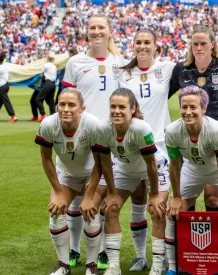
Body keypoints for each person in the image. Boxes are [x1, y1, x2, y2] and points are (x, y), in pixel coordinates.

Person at [62, 14, 128, 270]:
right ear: (87, 32)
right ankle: (75, 250)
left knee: (101, 196)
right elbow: (67, 96)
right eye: (93, 28)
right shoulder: (75, 62)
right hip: (82, 136)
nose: (97, 31)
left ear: (110, 32)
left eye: (101, 27)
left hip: (110, 137)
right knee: (80, 196)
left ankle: (101, 251)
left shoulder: (121, 63)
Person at [81, 88, 168, 275]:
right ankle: (114, 267)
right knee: (111, 208)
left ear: (133, 109)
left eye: (122, 107)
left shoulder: (140, 128)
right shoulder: (103, 129)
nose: (116, 111)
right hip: (126, 169)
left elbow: (151, 164)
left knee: (156, 210)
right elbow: (105, 163)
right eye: (113, 107)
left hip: (155, 168)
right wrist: (112, 193)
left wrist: (153, 195)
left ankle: (158, 266)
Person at [164, 86, 218, 275]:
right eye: (184, 107)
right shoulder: (172, 130)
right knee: (173, 211)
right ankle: (174, 267)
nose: (188, 112)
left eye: (193, 107)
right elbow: (174, 165)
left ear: (203, 109)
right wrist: (175, 196)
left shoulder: (216, 129)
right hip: (192, 168)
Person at [168, 24, 218, 230]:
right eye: (195, 43)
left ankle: (214, 246)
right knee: (185, 195)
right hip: (188, 134)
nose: (199, 47)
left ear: (212, 45)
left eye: (203, 43)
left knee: (214, 196)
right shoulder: (181, 69)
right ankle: (191, 244)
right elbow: (162, 92)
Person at [118, 29, 175, 273]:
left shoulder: (168, 68)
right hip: (132, 146)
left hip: (160, 146)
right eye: (138, 42)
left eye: (147, 43)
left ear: (155, 46)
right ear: (133, 46)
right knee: (138, 200)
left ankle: (160, 258)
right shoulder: (123, 73)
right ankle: (140, 257)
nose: (142, 46)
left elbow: (195, 61)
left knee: (158, 205)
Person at [34, 88, 102, 275]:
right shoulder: (48, 124)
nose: (65, 109)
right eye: (62, 104)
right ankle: (64, 265)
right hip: (66, 173)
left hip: (93, 173)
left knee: (91, 211)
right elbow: (46, 159)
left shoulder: (93, 124)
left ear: (82, 108)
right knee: (56, 212)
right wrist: (58, 192)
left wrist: (89, 196)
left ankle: (91, 265)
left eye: (71, 105)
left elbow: (100, 163)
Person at [37, 52, 58, 121]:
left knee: (38, 99)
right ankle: (53, 115)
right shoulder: (54, 66)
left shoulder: (46, 65)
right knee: (51, 100)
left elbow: (41, 74)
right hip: (53, 85)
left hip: (48, 83)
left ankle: (43, 114)